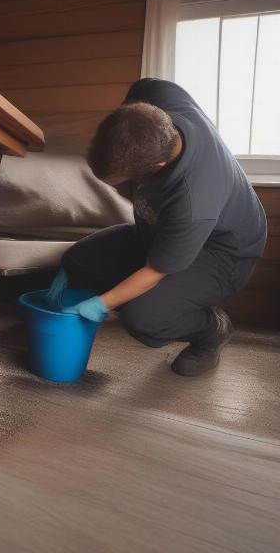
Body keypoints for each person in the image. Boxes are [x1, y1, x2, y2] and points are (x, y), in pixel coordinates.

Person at [46, 78, 267, 376]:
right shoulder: (158, 96)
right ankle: (158, 298)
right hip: (158, 232)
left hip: (221, 252)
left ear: (157, 167)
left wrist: (100, 303)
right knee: (77, 260)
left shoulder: (192, 201)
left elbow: (155, 271)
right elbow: (140, 87)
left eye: (122, 181)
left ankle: (211, 330)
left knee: (144, 318)